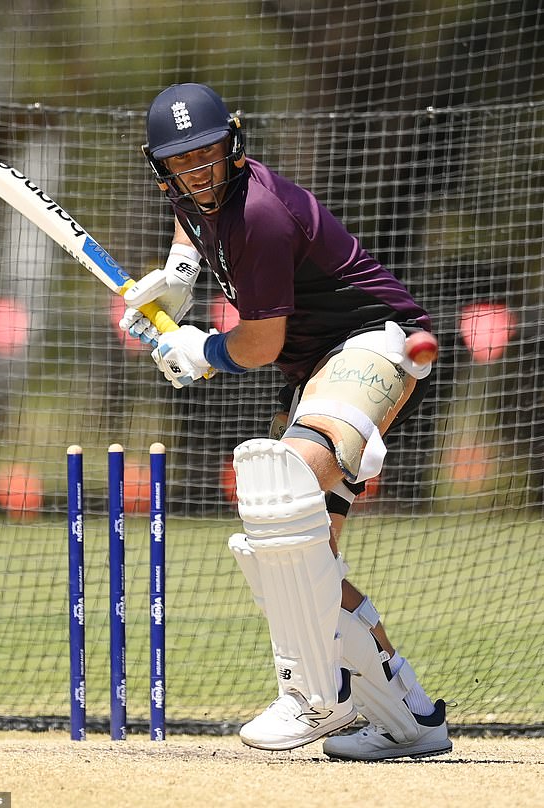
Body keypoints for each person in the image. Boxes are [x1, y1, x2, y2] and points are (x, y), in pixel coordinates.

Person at [120, 82, 452, 760]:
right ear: (164, 170)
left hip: (372, 341)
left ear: (234, 145)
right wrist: (180, 275)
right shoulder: (193, 193)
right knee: (303, 560)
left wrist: (200, 350)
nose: (199, 171)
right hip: (313, 370)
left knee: (285, 484)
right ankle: (410, 719)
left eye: (210, 154)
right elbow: (193, 221)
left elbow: (259, 344)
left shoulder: (261, 214)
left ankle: (315, 699)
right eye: (182, 162)